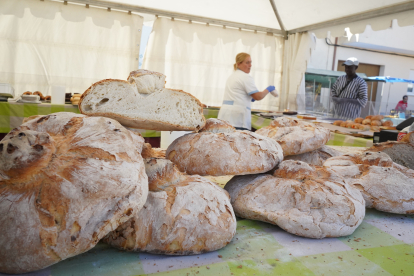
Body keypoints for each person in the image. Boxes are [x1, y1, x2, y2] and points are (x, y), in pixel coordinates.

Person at [217, 53, 278, 130]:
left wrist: (249, 98)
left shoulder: (232, 76)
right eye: (247, 62)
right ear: (238, 64)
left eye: (251, 62)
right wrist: (268, 89)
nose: (250, 65)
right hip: (237, 118)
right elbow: (258, 96)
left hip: (226, 116)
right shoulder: (245, 77)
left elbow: (237, 94)